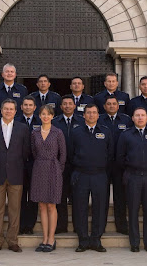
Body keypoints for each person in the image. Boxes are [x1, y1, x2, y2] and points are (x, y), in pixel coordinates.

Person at [0, 98, 30, 253]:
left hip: (16, 174)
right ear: (1, 110)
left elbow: (25, 152)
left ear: (16, 111)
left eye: (11, 109)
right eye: (6, 108)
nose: (8, 111)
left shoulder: (23, 128)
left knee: (15, 210)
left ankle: (12, 240)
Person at [117, 107, 147, 253]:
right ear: (132, 118)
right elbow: (120, 157)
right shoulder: (126, 135)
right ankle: (134, 242)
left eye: (143, 115)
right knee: (133, 210)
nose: (140, 118)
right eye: (137, 115)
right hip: (133, 176)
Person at [69, 104, 113, 252]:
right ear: (84, 115)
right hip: (81, 174)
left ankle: (96, 239)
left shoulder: (105, 132)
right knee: (79, 207)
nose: (91, 115)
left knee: (100, 208)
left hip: (99, 175)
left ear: (98, 115)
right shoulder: (76, 132)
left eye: (94, 112)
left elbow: (111, 154)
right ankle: (82, 240)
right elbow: (70, 153)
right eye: (89, 113)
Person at [30, 105, 67, 252]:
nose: (46, 116)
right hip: (39, 168)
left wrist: (59, 170)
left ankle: (52, 238)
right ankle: (44, 238)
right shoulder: (34, 133)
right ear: (39, 115)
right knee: (41, 205)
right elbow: (33, 152)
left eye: (48, 114)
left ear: (52, 116)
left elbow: (63, 154)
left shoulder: (58, 132)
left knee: (51, 205)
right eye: (43, 114)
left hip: (54, 169)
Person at [99, 95, 131, 235]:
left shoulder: (126, 120)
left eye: (114, 104)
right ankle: (101, 226)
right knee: (102, 197)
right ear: (104, 106)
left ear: (118, 106)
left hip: (120, 165)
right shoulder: (99, 119)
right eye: (109, 104)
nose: (111, 106)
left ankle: (121, 225)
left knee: (120, 196)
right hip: (103, 164)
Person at [52, 95, 84, 233]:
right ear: (60, 107)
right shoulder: (54, 122)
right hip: (60, 165)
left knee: (78, 197)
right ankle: (61, 225)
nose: (67, 106)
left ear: (74, 106)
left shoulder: (82, 121)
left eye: (70, 104)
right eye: (64, 104)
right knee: (61, 196)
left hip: (78, 164)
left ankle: (78, 226)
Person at [17, 96, 40, 235]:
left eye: (30, 105)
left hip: (35, 164)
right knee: (19, 196)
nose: (27, 107)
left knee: (33, 196)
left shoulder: (40, 121)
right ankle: (19, 224)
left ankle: (29, 225)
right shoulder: (16, 121)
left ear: (35, 107)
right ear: (21, 107)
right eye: (25, 105)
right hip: (18, 164)